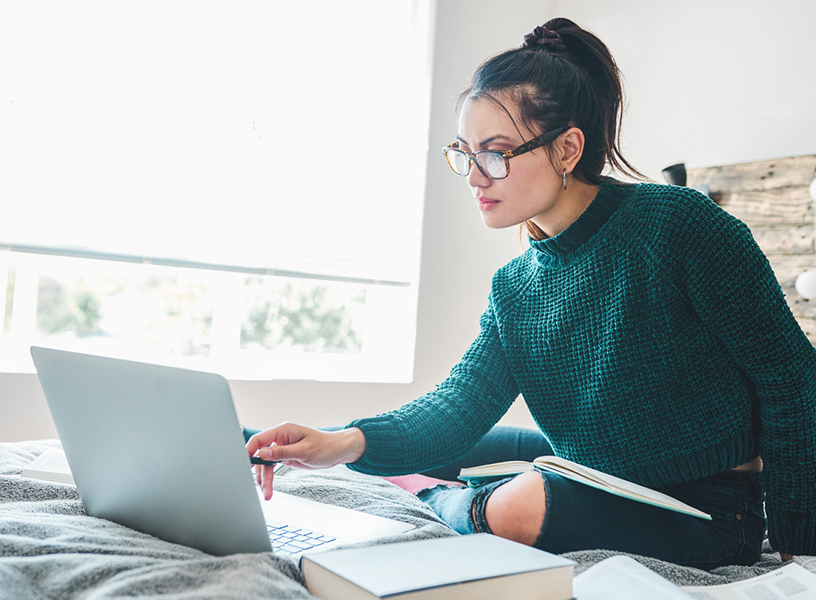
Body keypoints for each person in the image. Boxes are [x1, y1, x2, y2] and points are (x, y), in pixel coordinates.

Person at [245, 18, 816, 568]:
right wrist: (340, 442)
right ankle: (273, 441)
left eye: (494, 153)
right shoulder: (516, 286)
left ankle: (435, 500)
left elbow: (793, 378)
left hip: (707, 511)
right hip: (587, 469)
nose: (474, 176)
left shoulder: (680, 226)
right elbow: (458, 406)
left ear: (567, 150)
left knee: (522, 503)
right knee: (444, 442)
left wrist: (798, 537)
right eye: (465, 154)